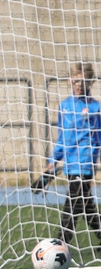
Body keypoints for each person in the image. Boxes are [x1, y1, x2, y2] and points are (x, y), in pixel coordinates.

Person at [32, 62, 101, 251]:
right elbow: (62, 137)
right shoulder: (65, 106)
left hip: (85, 162)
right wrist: (53, 162)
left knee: (73, 203)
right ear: (70, 81)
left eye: (83, 81)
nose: (78, 85)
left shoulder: (95, 107)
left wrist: (95, 163)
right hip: (70, 164)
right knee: (85, 206)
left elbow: (99, 137)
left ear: (90, 82)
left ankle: (61, 243)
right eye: (75, 81)